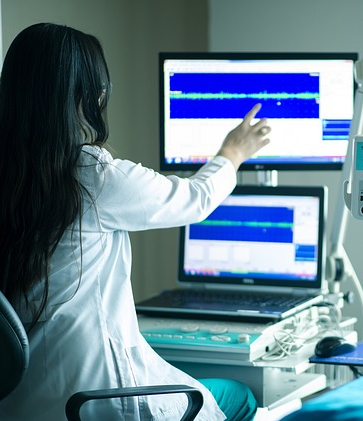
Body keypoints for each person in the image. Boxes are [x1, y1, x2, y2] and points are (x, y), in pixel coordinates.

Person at [0, 23, 270, 421]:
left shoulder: (10, 175)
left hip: (22, 405)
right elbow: (194, 200)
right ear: (84, 95)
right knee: (239, 397)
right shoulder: (90, 175)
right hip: (96, 400)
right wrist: (232, 152)